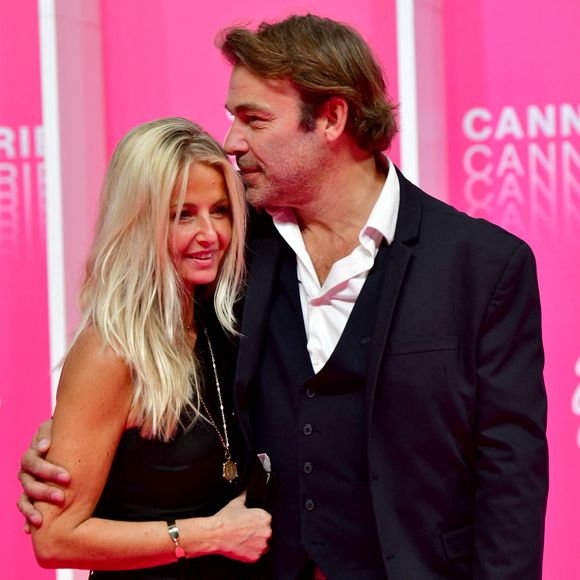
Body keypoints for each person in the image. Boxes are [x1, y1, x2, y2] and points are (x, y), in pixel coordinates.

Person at [19, 14, 548, 580]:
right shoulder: (232, 250)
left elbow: (510, 475)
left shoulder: (481, 265)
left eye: (254, 119)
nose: (231, 142)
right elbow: (150, 365)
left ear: (331, 118)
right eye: (232, 119)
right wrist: (70, 446)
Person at [24, 117, 271, 578]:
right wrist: (212, 534)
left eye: (219, 210)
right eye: (182, 214)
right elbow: (55, 538)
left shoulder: (220, 322)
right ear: (139, 219)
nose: (210, 235)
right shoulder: (109, 352)